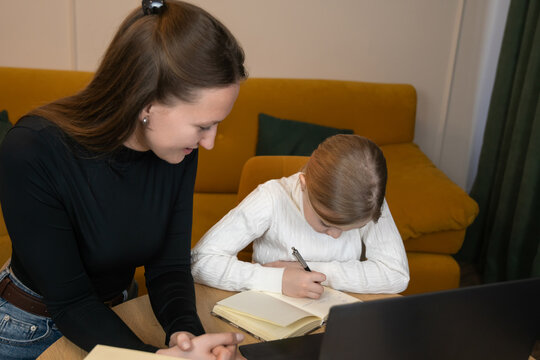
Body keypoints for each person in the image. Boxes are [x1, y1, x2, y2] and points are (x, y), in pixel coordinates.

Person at [0, 1, 248, 359]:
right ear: (146, 104)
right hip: (32, 330)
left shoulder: (175, 149)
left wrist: (189, 340)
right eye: (203, 126)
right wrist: (153, 357)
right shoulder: (32, 149)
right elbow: (71, 303)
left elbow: (169, 266)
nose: (209, 142)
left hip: (119, 317)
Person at [191, 134, 410, 299]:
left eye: (348, 229)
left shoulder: (367, 201)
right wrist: (279, 280)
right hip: (271, 314)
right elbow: (200, 262)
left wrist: (315, 272)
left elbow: (396, 274)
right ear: (303, 184)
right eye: (326, 223)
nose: (335, 236)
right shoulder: (272, 198)